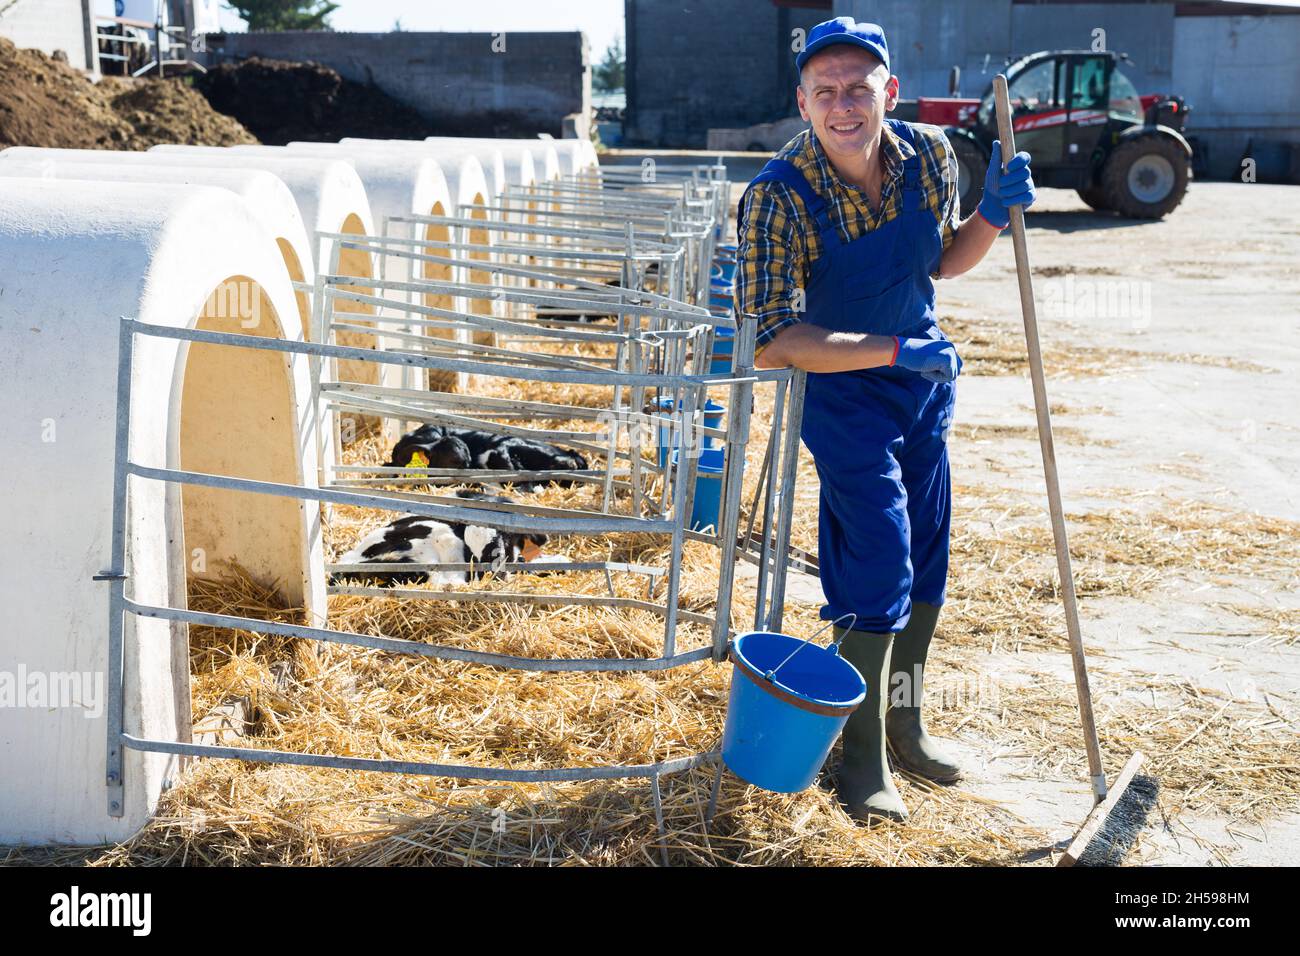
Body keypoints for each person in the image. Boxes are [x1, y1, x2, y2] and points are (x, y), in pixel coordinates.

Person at [735, 17, 1036, 823]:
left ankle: (906, 720)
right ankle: (857, 755)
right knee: (879, 565)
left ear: (888, 93)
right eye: (825, 91)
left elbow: (939, 260)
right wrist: (892, 348)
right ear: (802, 100)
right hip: (844, 400)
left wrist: (993, 218)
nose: (844, 105)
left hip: (923, 390)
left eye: (859, 89)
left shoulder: (928, 156)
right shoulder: (777, 196)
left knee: (928, 561)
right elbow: (771, 342)